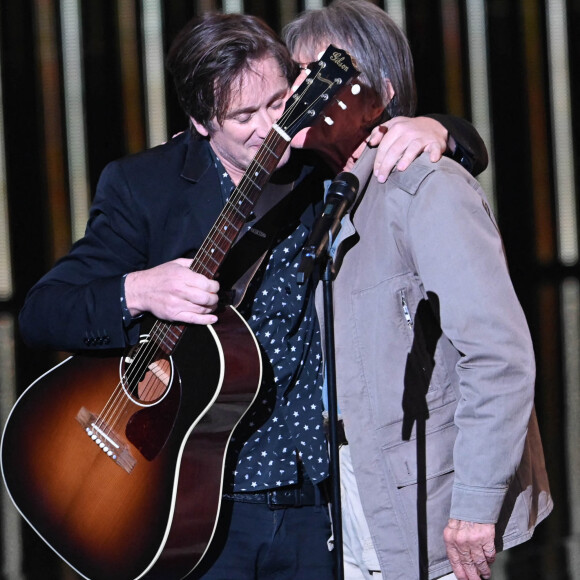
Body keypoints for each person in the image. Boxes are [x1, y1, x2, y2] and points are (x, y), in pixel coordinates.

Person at [17, 10, 488, 580]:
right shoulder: (145, 185)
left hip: (319, 501)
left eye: (278, 100)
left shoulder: (315, 161)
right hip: (194, 501)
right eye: (244, 115)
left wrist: (441, 130)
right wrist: (140, 289)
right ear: (199, 120)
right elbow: (44, 313)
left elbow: (441, 153)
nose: (273, 127)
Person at [283, 1, 552, 580]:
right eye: (299, 75)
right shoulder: (319, 194)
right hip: (348, 498)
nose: (303, 91)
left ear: (377, 90)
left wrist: (477, 504)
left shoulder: (424, 186)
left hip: (431, 504)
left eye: (324, 74)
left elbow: (497, 354)